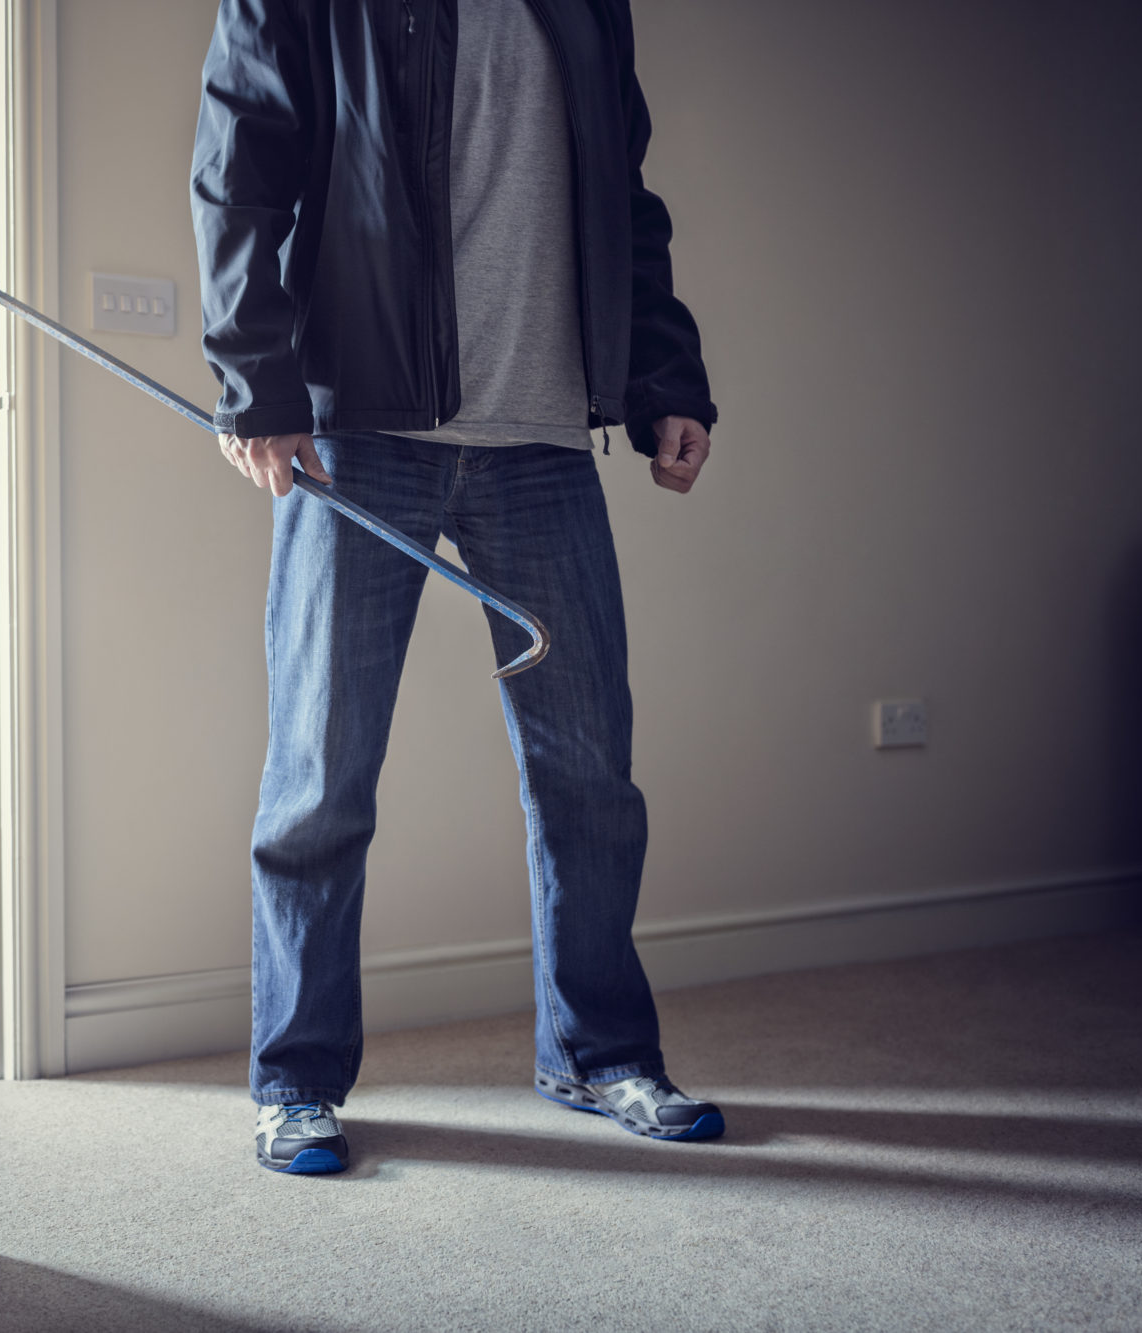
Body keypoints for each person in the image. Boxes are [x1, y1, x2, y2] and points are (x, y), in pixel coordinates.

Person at [191, 0, 723, 1174]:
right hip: (360, 430)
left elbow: (624, 204)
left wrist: (663, 377)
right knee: (320, 776)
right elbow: (238, 161)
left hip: (541, 435)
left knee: (590, 771)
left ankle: (597, 1050)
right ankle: (294, 1077)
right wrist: (255, 382)